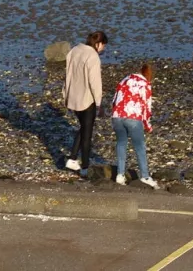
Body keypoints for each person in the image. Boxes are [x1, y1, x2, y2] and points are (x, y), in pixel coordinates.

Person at [63, 30, 108, 172]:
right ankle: (85, 167)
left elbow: (67, 74)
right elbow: (95, 82)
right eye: (104, 45)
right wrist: (99, 102)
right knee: (87, 134)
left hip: (73, 97)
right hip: (87, 100)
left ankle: (72, 159)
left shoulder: (75, 50)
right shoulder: (93, 56)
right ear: (99, 43)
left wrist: (65, 94)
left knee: (83, 128)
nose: (104, 49)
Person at [112, 61, 159, 189]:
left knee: (121, 143)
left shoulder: (125, 79)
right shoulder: (145, 84)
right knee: (139, 146)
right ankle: (145, 176)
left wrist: (115, 113)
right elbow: (146, 107)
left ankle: (120, 175)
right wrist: (147, 125)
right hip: (132, 117)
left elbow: (115, 98)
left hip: (117, 116)